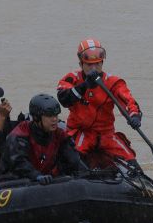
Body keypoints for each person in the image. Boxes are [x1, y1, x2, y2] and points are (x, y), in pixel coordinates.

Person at [56, 38, 143, 169]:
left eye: (97, 64)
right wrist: (85, 86)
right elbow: (64, 99)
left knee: (131, 161)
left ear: (102, 63)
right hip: (81, 132)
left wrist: (134, 116)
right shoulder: (71, 79)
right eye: (89, 65)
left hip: (106, 135)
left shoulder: (113, 82)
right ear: (81, 64)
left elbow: (128, 100)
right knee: (69, 160)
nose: (94, 69)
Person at [0, 94, 88, 182]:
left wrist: (87, 173)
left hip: (44, 181)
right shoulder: (20, 134)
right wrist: (36, 176)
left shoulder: (60, 135)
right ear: (36, 117)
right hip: (14, 182)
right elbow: (18, 163)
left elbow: (73, 160)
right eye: (49, 116)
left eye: (56, 115)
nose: (55, 119)